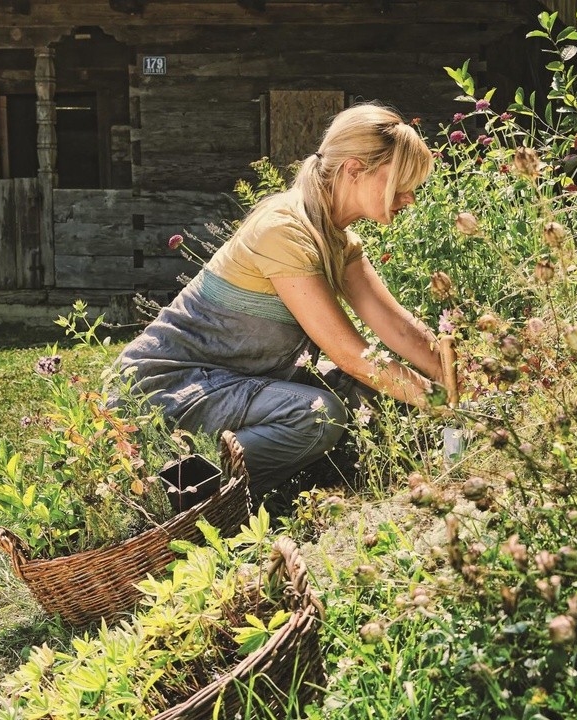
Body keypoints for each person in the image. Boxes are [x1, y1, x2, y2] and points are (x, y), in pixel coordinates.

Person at [118, 103, 445, 498]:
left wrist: (463, 376)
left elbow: (398, 329)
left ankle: (283, 483)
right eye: (401, 183)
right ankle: (176, 489)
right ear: (354, 170)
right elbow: (350, 354)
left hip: (230, 381)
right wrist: (439, 399)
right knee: (320, 416)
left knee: (369, 395)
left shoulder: (336, 239)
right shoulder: (283, 228)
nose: (409, 198)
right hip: (166, 387)